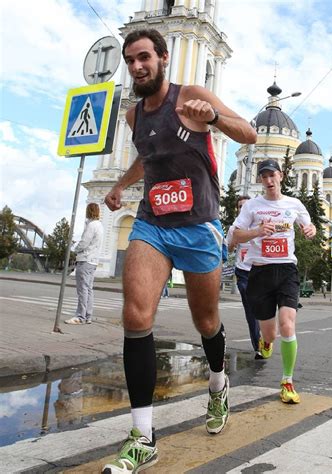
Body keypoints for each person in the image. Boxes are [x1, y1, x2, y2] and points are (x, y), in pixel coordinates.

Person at [102, 28, 257, 473]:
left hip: (199, 227)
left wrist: (211, 118)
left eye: (144, 57)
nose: (136, 66)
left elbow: (246, 133)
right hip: (153, 225)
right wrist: (119, 185)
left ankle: (217, 384)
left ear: (163, 58)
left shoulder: (189, 94)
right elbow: (146, 157)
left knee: (206, 322)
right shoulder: (134, 117)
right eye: (130, 60)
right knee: (136, 316)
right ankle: (143, 437)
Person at [233, 159, 316, 405]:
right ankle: (265, 341)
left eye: (272, 175)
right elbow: (236, 235)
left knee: (288, 325)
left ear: (281, 176)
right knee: (270, 333)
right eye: (264, 176)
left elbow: (308, 225)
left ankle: (287, 382)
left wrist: (310, 230)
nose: (269, 181)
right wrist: (257, 231)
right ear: (260, 180)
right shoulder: (252, 207)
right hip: (260, 273)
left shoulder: (295, 204)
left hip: (287, 270)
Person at [226, 195, 263, 360]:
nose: (243, 208)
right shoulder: (234, 228)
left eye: (246, 205)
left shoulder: (260, 224)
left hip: (261, 271)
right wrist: (234, 241)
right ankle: (258, 347)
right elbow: (229, 249)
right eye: (240, 206)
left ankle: (265, 335)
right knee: (251, 312)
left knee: (263, 310)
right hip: (243, 273)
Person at [65, 203, 103, 325]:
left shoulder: (91, 226)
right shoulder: (100, 226)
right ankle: (88, 316)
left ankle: (80, 316)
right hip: (93, 261)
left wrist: (75, 249)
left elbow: (84, 242)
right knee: (88, 289)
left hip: (85, 259)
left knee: (82, 289)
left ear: (89, 211)